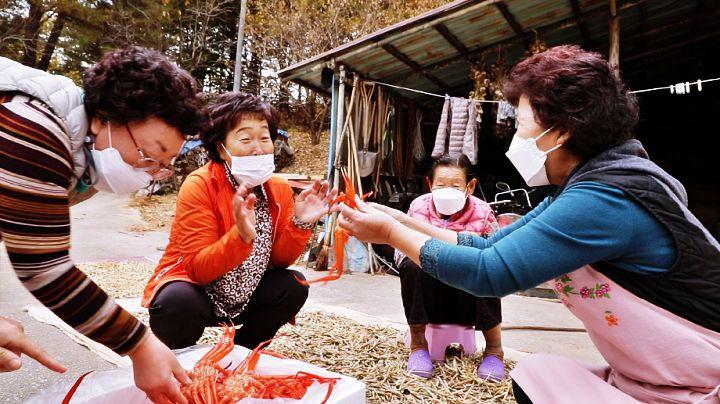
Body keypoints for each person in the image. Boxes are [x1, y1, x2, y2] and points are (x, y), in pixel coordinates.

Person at [334, 45, 720, 403]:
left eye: (520, 123)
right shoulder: (586, 188)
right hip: (656, 377)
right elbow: (488, 246)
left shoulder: (606, 199)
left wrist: (389, 234)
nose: (515, 137)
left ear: (562, 130)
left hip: (701, 379)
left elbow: (491, 271)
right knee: (535, 376)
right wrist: (403, 221)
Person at [0, 47, 207, 403]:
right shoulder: (33, 126)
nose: (148, 172)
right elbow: (44, 267)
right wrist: (140, 345)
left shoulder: (78, 161)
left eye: (161, 164)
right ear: (105, 117)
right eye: (148, 154)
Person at [143, 92, 334, 350]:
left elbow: (279, 261)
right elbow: (198, 268)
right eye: (245, 138)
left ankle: (243, 353)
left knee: (293, 284)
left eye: (265, 138)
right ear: (221, 148)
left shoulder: (277, 188)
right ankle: (179, 358)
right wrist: (241, 238)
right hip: (200, 292)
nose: (258, 147)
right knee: (175, 301)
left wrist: (300, 222)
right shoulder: (200, 184)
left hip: (247, 291)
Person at [396, 154, 504, 380]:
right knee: (411, 264)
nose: (447, 191)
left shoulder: (483, 213)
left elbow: (498, 255)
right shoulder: (418, 207)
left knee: (488, 266)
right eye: (441, 185)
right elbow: (400, 251)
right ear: (429, 184)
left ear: (470, 186)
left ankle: (494, 350)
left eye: (456, 185)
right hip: (430, 297)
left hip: (468, 298)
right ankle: (418, 345)